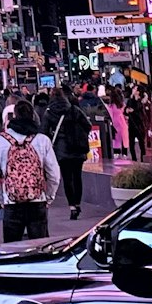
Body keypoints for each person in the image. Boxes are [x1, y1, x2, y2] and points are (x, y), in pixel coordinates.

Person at [0, 104, 57, 244]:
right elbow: (54, 174)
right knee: (40, 249)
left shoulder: (0, 140)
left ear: (14, 116)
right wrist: (49, 197)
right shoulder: (42, 140)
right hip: (37, 201)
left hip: (11, 202)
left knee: (12, 249)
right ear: (33, 116)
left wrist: (0, 199)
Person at [44, 86, 91, 221]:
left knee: (67, 178)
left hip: (62, 150)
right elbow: (87, 125)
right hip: (77, 148)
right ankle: (77, 203)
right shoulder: (74, 109)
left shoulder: (50, 112)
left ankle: (72, 206)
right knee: (77, 177)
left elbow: (44, 132)